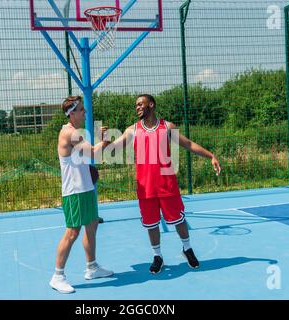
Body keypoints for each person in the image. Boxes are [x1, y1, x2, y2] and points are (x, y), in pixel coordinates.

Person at [106, 94, 221, 274]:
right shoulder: (132, 130)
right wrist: (105, 141)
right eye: (135, 105)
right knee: (152, 224)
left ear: (151, 105)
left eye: (140, 104)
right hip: (146, 187)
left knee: (178, 220)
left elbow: (188, 144)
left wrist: (211, 156)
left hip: (167, 184)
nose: (137, 107)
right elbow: (113, 149)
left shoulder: (167, 127)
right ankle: (157, 256)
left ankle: (187, 249)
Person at [50, 96, 113, 294]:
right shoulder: (69, 133)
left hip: (85, 189)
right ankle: (57, 276)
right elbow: (94, 153)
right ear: (73, 113)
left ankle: (92, 267)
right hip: (74, 193)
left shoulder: (77, 133)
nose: (85, 113)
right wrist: (104, 141)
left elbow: (88, 156)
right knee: (72, 232)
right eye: (82, 110)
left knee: (92, 225)